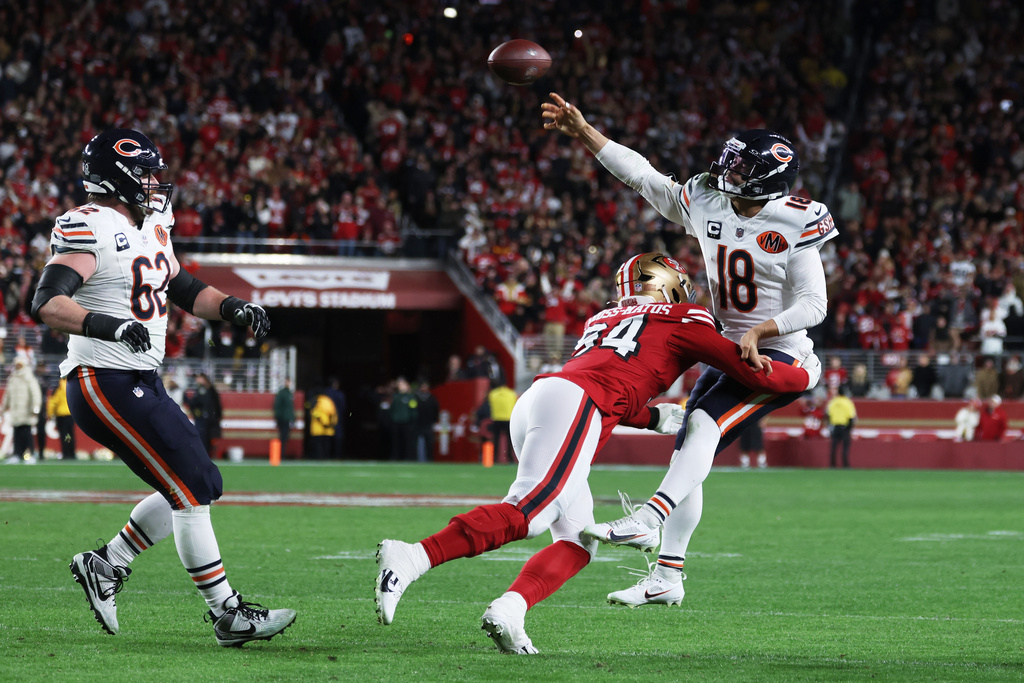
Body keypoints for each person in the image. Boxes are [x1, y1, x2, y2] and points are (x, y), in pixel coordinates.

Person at [374, 253, 818, 654]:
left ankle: (510, 610)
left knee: (578, 540)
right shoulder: (686, 318)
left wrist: (651, 418)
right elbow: (752, 371)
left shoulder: (603, 318)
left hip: (543, 399)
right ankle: (412, 557)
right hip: (574, 403)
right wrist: (805, 375)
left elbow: (615, 382)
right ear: (668, 284)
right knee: (530, 514)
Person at [544, 96, 831, 607]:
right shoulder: (708, 199)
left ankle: (649, 519)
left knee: (699, 428)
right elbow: (644, 177)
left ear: (768, 177)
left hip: (780, 357)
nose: (728, 170)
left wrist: (762, 329)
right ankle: (668, 579)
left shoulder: (797, 219)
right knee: (689, 456)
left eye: (742, 167)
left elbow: (815, 304)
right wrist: (585, 132)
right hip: (731, 352)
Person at [31, 129, 294, 644]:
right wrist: (106, 325)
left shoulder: (151, 223)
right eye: (147, 173)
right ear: (118, 176)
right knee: (192, 486)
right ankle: (228, 613)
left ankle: (107, 564)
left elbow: (180, 286)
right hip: (101, 378)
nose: (156, 183)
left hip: (138, 378)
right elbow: (47, 301)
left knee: (202, 482)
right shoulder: (92, 226)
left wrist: (233, 308)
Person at [2, 356, 42, 464]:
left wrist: (35, 408)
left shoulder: (28, 377)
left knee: (27, 434)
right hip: (15, 412)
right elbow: (7, 395)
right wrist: (3, 409)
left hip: (26, 411)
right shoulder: (12, 378)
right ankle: (17, 454)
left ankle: (31, 454)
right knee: (17, 434)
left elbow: (35, 394)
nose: (17, 366)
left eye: (19, 364)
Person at [476, 380, 518, 464]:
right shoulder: (512, 393)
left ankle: (494, 458)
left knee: (496, 440)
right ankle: (510, 458)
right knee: (510, 441)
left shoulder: (493, 394)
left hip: (497, 419)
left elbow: (489, 407)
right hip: (508, 419)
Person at [186, 373, 222, 459]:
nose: (197, 380)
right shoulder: (201, 389)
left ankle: (207, 455)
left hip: (208, 418)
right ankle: (204, 456)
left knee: (207, 437)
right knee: (203, 438)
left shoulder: (208, 390)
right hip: (204, 418)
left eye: (199, 378)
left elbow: (213, 403)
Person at [387, 377, 418, 461]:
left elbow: (413, 409)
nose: (401, 386)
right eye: (399, 384)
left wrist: (411, 419)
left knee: (407, 441)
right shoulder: (395, 396)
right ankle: (395, 457)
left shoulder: (410, 396)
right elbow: (391, 408)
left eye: (402, 384)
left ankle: (408, 458)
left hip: (406, 422)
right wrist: (392, 418)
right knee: (395, 442)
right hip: (396, 422)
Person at [825, 386, 857, 468]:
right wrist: (849, 429)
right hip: (844, 427)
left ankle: (832, 465)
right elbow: (851, 417)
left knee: (834, 448)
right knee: (845, 448)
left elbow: (828, 415)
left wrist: (830, 427)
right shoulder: (848, 402)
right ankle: (845, 465)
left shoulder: (833, 402)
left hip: (835, 427)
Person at [46, 377, 76, 460]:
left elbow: (53, 402)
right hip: (70, 414)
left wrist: (50, 414)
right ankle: (72, 453)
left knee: (64, 435)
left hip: (61, 415)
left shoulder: (58, 387)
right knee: (70, 435)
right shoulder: (71, 384)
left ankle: (66, 453)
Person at [414, 380, 439, 462]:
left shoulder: (432, 398)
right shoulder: (415, 398)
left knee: (429, 443)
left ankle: (429, 460)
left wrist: (433, 421)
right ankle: (418, 459)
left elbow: (436, 410)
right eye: (423, 386)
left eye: (426, 386)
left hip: (428, 424)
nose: (424, 388)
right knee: (417, 443)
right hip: (418, 424)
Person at [308, 389, 337, 460]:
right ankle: (326, 459)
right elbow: (333, 414)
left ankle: (319, 459)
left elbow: (314, 413)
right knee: (326, 445)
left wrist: (321, 422)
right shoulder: (329, 401)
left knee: (318, 446)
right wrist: (331, 424)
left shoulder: (316, 400)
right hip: (328, 429)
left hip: (317, 429)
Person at [273, 378, 295, 454]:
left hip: (287, 418)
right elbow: (277, 406)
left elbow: (291, 408)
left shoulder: (289, 393)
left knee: (285, 437)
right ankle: (281, 454)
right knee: (283, 437)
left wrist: (292, 419)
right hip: (283, 419)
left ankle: (282, 454)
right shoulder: (282, 393)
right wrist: (278, 417)